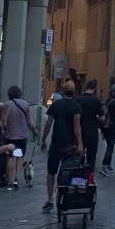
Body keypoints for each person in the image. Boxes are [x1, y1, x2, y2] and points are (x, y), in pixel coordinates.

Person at [40, 79, 83, 212]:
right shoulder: (76, 106)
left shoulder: (55, 105)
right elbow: (77, 127)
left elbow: (48, 123)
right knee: (68, 172)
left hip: (56, 144)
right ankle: (65, 197)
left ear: (63, 91)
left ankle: (49, 200)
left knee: (51, 173)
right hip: (70, 146)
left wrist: (43, 139)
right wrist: (80, 144)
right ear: (74, 92)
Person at [4, 86, 38, 190]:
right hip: (22, 136)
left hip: (9, 135)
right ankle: (16, 179)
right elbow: (29, 122)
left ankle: (9, 182)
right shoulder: (25, 104)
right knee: (19, 156)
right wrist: (34, 131)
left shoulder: (6, 105)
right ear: (19, 93)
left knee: (9, 157)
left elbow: (4, 121)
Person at [76, 80, 107, 170]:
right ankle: (89, 175)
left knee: (78, 157)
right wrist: (96, 118)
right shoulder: (96, 101)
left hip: (80, 132)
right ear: (94, 88)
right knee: (91, 157)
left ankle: (78, 173)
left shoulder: (78, 99)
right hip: (92, 132)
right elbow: (103, 118)